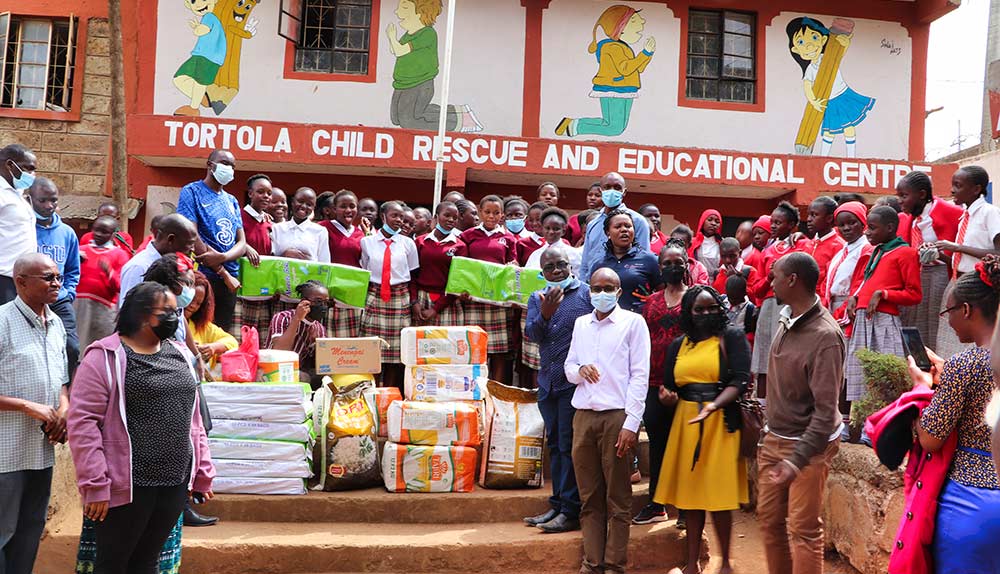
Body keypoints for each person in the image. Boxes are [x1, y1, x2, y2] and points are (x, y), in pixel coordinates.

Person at [68, 282, 214, 574]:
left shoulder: (180, 353)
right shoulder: (104, 357)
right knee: (113, 564)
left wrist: (202, 469)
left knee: (147, 562)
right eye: (169, 311)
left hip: (173, 483)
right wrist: (95, 483)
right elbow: (83, 424)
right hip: (126, 486)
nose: (176, 317)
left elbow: (193, 419)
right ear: (144, 315)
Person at [907, 256, 1000, 572]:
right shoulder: (967, 367)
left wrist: (922, 389)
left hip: (973, 502)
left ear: (967, 310)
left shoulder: (965, 364)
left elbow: (930, 439)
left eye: (948, 311)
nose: (946, 320)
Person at [654, 285, 751, 574]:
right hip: (686, 423)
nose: (706, 313)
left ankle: (725, 564)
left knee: (719, 496)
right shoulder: (679, 345)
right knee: (691, 496)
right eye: (699, 309)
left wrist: (713, 405)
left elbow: (740, 380)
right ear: (689, 312)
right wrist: (666, 397)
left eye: (712, 308)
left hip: (720, 422)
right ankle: (692, 562)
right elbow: (670, 385)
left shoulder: (730, 337)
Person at [758, 252, 845, 574]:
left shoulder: (825, 337)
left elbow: (825, 414)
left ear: (792, 280)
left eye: (774, 275)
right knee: (769, 522)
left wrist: (796, 460)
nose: (770, 281)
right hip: (775, 440)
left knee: (804, 530)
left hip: (808, 447)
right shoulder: (786, 317)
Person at [564, 267, 649, 574]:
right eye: (596, 288)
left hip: (616, 416)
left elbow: (640, 375)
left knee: (618, 498)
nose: (601, 293)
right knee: (589, 497)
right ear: (589, 290)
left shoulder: (633, 323)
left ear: (618, 292)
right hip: (584, 417)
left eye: (607, 288)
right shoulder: (581, 324)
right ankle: (592, 562)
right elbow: (569, 366)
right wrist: (580, 370)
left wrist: (631, 423)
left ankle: (614, 565)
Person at [0, 253, 68, 574]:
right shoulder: (2, 322)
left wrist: (64, 411)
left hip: (41, 451)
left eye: (57, 276)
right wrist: (29, 406)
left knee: (29, 531)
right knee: (3, 533)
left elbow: (63, 383)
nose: (56, 283)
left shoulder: (56, 325)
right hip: (6, 453)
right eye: (48, 278)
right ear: (21, 282)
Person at [524, 244, 593, 533]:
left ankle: (571, 510)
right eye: (549, 268)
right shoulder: (537, 297)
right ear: (542, 272)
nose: (556, 271)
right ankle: (557, 503)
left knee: (567, 445)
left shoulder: (587, 295)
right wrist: (546, 313)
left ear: (570, 266)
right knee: (554, 444)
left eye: (561, 265)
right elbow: (532, 333)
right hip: (547, 383)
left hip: (573, 385)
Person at [845, 206, 921, 434]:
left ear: (890, 228)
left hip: (884, 323)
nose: (867, 232)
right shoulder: (877, 251)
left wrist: (885, 294)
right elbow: (869, 283)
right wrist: (855, 297)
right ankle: (856, 425)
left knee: (884, 377)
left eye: (872, 227)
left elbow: (915, 294)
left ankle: (883, 429)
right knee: (859, 372)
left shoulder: (905, 252)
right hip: (863, 320)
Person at [632, 240, 688, 526]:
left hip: (686, 385)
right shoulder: (651, 302)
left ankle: (685, 508)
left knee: (686, 446)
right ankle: (657, 504)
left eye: (677, 262)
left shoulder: (695, 298)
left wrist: (679, 386)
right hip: (653, 383)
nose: (672, 267)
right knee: (658, 444)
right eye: (666, 263)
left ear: (687, 264)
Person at [177, 149, 248, 333]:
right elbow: (191, 234)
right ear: (209, 165)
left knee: (220, 332)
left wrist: (223, 257)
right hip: (204, 278)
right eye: (225, 163)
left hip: (231, 280)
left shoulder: (231, 201)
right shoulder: (191, 191)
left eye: (232, 166)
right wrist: (223, 273)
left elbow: (241, 243)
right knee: (196, 330)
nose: (229, 169)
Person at [935, 166, 1000, 359]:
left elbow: (997, 253)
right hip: (957, 283)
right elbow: (963, 261)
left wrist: (957, 247)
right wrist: (938, 254)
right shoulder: (965, 216)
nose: (952, 190)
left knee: (973, 343)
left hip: (978, 290)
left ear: (976, 188)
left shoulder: (990, 213)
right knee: (950, 345)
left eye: (958, 185)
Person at [896, 170, 962, 354]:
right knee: (915, 322)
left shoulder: (952, 213)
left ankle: (935, 367)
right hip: (917, 273)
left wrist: (937, 255)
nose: (900, 201)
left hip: (941, 275)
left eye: (904, 195)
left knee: (934, 322)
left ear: (922, 195)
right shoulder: (908, 219)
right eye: (898, 196)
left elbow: (959, 255)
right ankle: (919, 366)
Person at [751, 202, 811, 404]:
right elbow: (756, 289)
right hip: (768, 307)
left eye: (779, 222)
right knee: (763, 358)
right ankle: (760, 406)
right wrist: (769, 277)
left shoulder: (801, 245)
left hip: (790, 306)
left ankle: (784, 403)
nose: (773, 225)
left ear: (792, 225)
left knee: (786, 355)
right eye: (772, 221)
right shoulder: (767, 252)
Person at [360, 201, 420, 389]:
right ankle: (373, 392)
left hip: (399, 298)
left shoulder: (408, 244)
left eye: (402, 217)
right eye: (394, 216)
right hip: (375, 296)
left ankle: (391, 394)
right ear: (383, 216)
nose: (399, 220)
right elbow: (363, 269)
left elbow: (413, 274)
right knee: (372, 351)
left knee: (396, 353)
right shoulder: (366, 242)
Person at [461, 195, 518, 380]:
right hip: (474, 301)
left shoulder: (508, 238)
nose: (491, 216)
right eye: (487, 212)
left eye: (496, 213)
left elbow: (514, 263)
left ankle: (496, 395)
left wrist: (513, 266)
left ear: (502, 215)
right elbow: (462, 267)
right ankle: (476, 391)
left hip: (497, 302)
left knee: (499, 352)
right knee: (475, 351)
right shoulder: (468, 236)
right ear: (480, 212)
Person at [30, 177, 81, 375]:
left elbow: (73, 269)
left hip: (58, 300)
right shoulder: (25, 229)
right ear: (31, 199)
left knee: (72, 347)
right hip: (30, 299)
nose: (49, 205)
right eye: (42, 200)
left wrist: (68, 293)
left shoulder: (67, 233)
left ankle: (65, 392)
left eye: (54, 200)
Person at [579, 172, 651, 282]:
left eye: (617, 188)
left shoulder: (638, 221)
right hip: (594, 289)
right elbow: (585, 263)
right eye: (607, 187)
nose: (612, 191)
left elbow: (644, 260)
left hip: (626, 286)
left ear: (624, 192)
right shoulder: (593, 223)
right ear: (601, 191)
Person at [76, 216, 130, 352]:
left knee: (98, 346)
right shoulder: (80, 250)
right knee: (76, 343)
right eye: (96, 230)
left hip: (103, 309)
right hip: (78, 305)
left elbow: (121, 287)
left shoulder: (120, 255)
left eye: (104, 232)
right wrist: (75, 261)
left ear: (113, 235)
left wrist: (109, 272)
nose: (99, 234)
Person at [320, 190, 369, 337]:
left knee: (350, 343)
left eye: (352, 206)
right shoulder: (323, 228)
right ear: (334, 209)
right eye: (343, 206)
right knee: (326, 339)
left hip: (352, 294)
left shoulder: (361, 234)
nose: (348, 210)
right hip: (329, 294)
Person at [119, 214, 198, 305]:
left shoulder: (175, 264)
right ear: (171, 239)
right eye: (190, 243)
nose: (193, 249)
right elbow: (129, 311)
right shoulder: (138, 267)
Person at [413, 201, 467, 327]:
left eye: (455, 218)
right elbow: (413, 275)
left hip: (447, 302)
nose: (451, 220)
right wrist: (414, 302)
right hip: (421, 301)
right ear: (436, 217)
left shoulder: (460, 246)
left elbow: (457, 282)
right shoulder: (420, 242)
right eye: (447, 215)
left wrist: (436, 309)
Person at [595, 210, 660, 314]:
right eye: (618, 227)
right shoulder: (599, 265)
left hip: (639, 322)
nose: (624, 230)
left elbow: (662, 294)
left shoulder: (650, 260)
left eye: (628, 226)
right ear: (608, 232)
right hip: (607, 322)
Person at [269, 280, 330, 387]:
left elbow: (321, 365)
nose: (323, 306)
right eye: (319, 301)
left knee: (327, 377)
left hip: (299, 371)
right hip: (274, 368)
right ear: (304, 302)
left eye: (326, 302)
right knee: (303, 378)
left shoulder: (320, 329)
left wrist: (316, 344)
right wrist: (297, 319)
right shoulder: (284, 318)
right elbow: (279, 352)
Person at [0, 144, 38, 305]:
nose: (31, 174)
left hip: (22, 279)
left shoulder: (17, 193)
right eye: (27, 168)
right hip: (4, 279)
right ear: (10, 165)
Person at [237, 174, 275, 336]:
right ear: (250, 194)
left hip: (263, 290)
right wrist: (245, 247)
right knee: (240, 336)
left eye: (268, 192)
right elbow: (228, 241)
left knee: (260, 339)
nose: (266, 196)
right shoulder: (238, 216)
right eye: (260, 192)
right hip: (242, 288)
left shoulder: (269, 223)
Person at [186, 271, 238, 380]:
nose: (193, 306)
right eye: (191, 299)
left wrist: (213, 348)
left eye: (198, 303)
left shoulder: (202, 326)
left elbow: (232, 342)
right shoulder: (169, 322)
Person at [271, 187, 331, 263]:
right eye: (300, 201)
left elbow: (324, 262)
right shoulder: (277, 229)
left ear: (313, 207)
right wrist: (285, 255)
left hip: (309, 274)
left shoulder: (320, 231)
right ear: (292, 202)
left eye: (309, 204)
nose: (303, 206)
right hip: (281, 274)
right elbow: (270, 259)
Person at [806, 196, 846, 303]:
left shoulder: (839, 246)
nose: (809, 219)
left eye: (814, 215)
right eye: (808, 215)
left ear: (829, 218)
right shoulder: (808, 244)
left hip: (822, 303)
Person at [525, 207, 580, 273]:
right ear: (542, 229)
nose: (551, 232)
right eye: (547, 228)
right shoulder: (535, 254)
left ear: (564, 231)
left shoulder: (572, 253)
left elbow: (578, 276)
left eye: (556, 229)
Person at [712, 237, 757, 303]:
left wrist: (735, 280)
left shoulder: (750, 272)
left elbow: (754, 299)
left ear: (740, 253)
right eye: (723, 256)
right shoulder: (718, 273)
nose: (728, 260)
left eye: (732, 256)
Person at [689, 209, 723, 279]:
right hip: (697, 281)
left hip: (716, 283)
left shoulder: (723, 244)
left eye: (717, 221)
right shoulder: (692, 242)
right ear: (702, 221)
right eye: (710, 220)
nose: (713, 223)